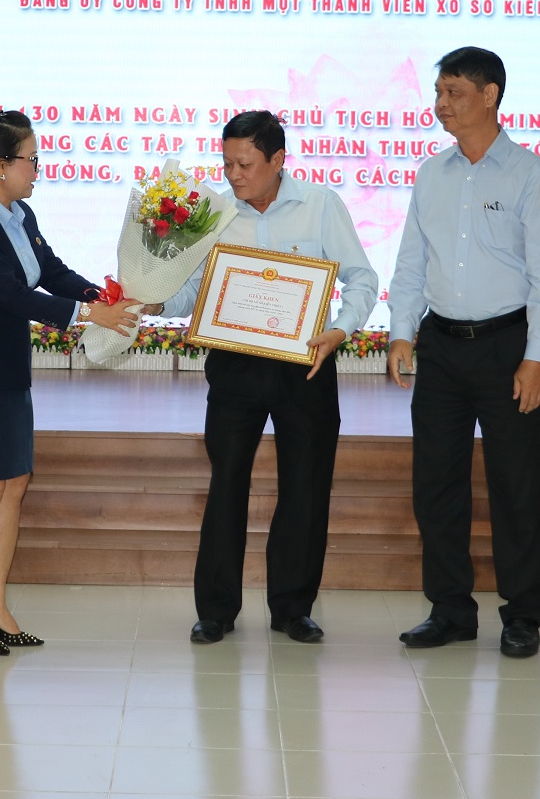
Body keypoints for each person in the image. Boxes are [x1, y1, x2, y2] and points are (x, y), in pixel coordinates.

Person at [157, 110, 378, 645]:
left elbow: (362, 278)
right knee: (226, 483)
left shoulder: (320, 205)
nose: (234, 175)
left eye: (246, 164)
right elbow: (190, 294)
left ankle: (293, 608)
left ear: (279, 160)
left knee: (306, 485)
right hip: (234, 365)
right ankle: (216, 610)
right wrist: (153, 295)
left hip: (306, 364)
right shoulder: (211, 213)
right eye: (227, 163)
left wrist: (341, 330)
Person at [0, 111, 141, 654]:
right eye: (33, 160)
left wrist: (105, 297)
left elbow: (51, 272)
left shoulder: (20, 215)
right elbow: (11, 295)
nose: (38, 170)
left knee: (13, 485)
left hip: (6, 369)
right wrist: (87, 315)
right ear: (1, 165)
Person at [387, 47, 540, 658]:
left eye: (454, 92)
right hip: (441, 346)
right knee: (436, 484)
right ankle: (450, 610)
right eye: (438, 92)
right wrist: (402, 332)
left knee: (516, 485)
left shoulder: (531, 176)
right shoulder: (430, 174)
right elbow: (412, 261)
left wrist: (537, 357)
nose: (441, 104)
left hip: (507, 348)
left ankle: (523, 614)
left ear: (490, 96)